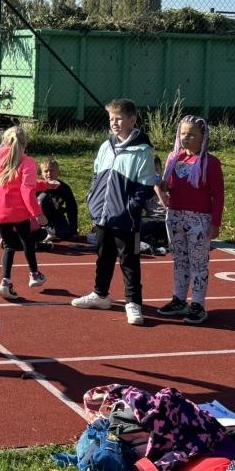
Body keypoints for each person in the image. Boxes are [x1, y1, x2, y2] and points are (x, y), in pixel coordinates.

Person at [72, 98, 157, 326]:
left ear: (132, 120)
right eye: (111, 119)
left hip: (125, 219)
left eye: (119, 119)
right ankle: (100, 295)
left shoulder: (142, 151)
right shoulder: (106, 146)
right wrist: (93, 198)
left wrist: (128, 208)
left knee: (129, 261)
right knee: (103, 256)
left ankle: (133, 303)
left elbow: (146, 186)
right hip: (103, 215)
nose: (114, 123)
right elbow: (96, 174)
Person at [156, 116, 224, 325]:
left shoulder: (210, 163)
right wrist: (162, 187)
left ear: (203, 137)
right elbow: (169, 185)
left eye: (192, 134)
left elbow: (218, 195)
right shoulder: (173, 158)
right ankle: (179, 299)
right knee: (179, 260)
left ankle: (198, 304)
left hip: (199, 220)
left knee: (198, 262)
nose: (186, 138)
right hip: (175, 216)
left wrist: (215, 223)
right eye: (183, 133)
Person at [0, 126, 49, 300]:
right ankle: (34, 274)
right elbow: (26, 190)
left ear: (5, 142)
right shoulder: (28, 162)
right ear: (25, 144)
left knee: (9, 246)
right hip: (19, 212)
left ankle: (5, 282)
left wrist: (45, 185)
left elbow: (19, 184)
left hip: (1, 211)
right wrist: (37, 213)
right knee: (27, 241)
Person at [32, 158, 79, 246]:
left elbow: (71, 207)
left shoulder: (64, 188)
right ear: (42, 174)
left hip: (56, 216)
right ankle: (44, 231)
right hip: (40, 217)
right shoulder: (37, 187)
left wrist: (73, 228)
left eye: (52, 171)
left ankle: (51, 232)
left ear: (58, 172)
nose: (49, 173)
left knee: (66, 234)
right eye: (46, 171)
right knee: (44, 197)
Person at [139, 155, 169, 256]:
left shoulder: (167, 187)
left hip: (165, 221)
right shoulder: (145, 189)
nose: (154, 174)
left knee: (149, 227)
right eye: (151, 171)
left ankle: (152, 245)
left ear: (161, 170)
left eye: (156, 170)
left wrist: (158, 189)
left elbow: (168, 207)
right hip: (150, 220)